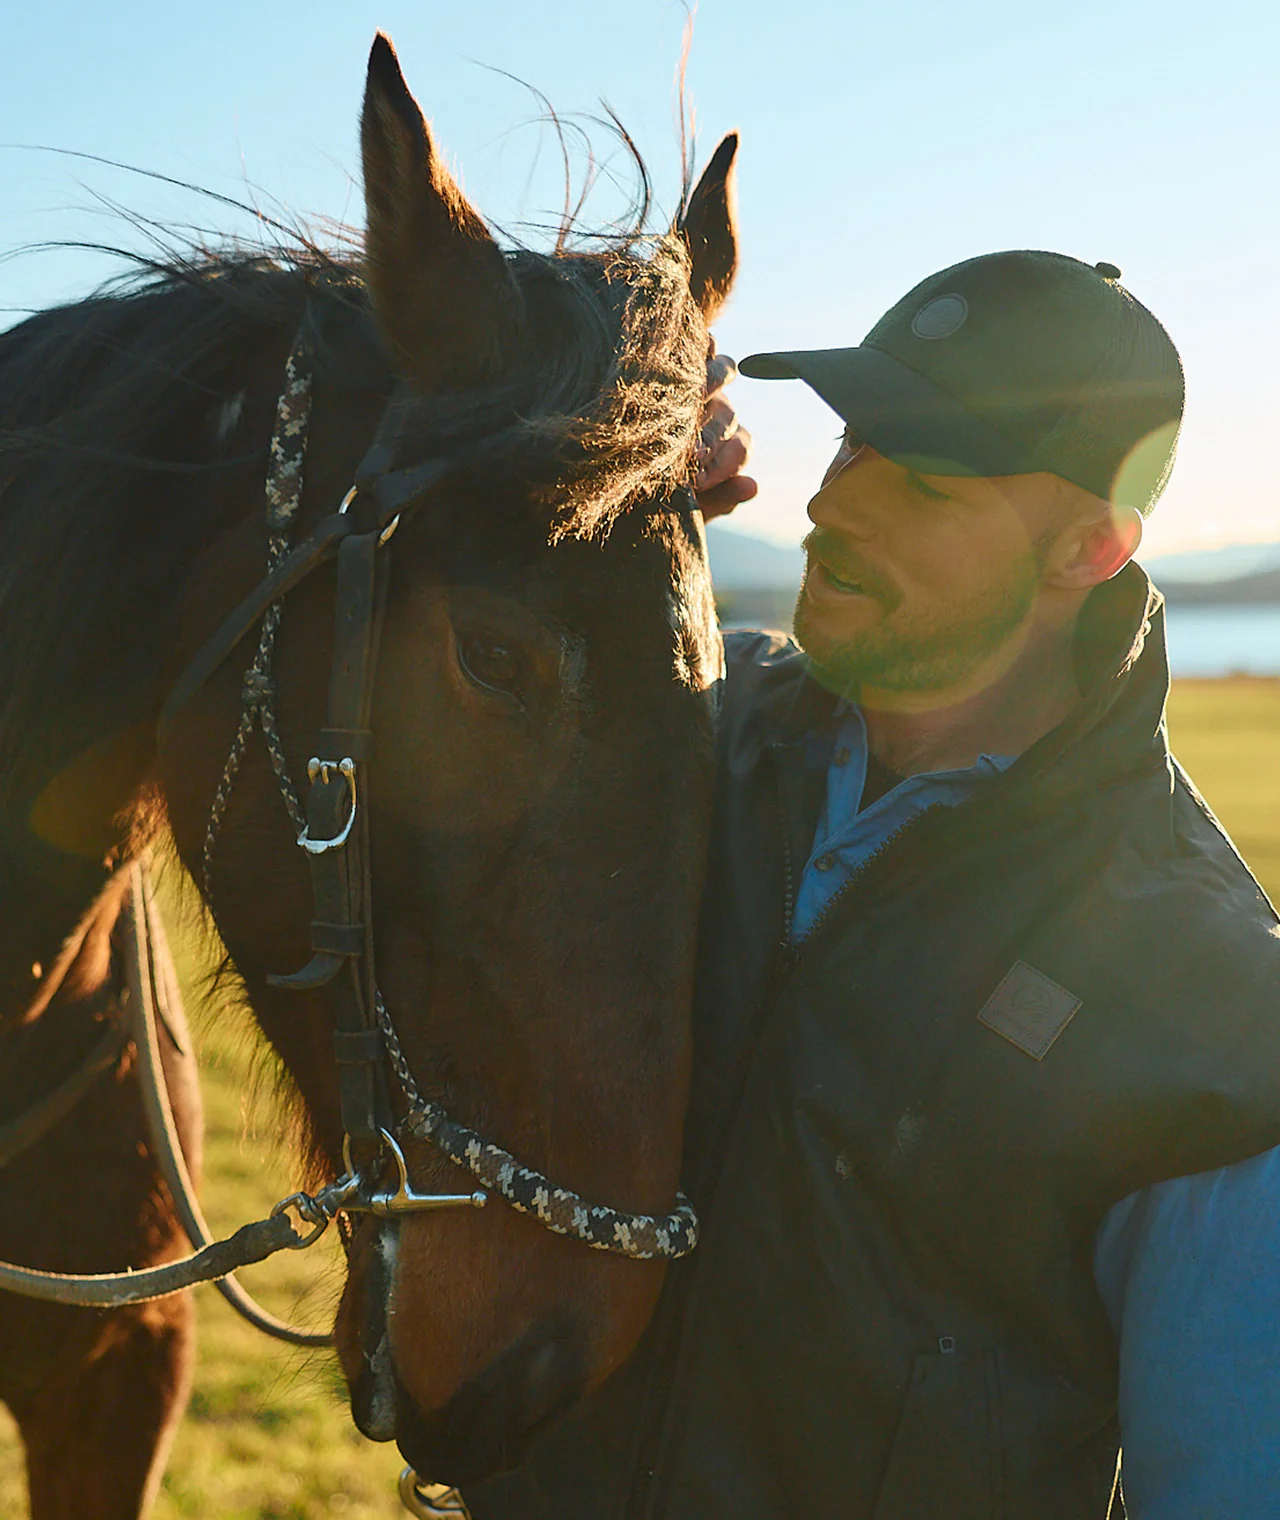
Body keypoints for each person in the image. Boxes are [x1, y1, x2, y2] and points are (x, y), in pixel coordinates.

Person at [466, 251, 1280, 1520]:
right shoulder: (687, 731)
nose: (832, 505)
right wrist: (610, 505)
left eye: (927, 480)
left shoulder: (1210, 999)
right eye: (852, 443)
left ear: (1089, 546)